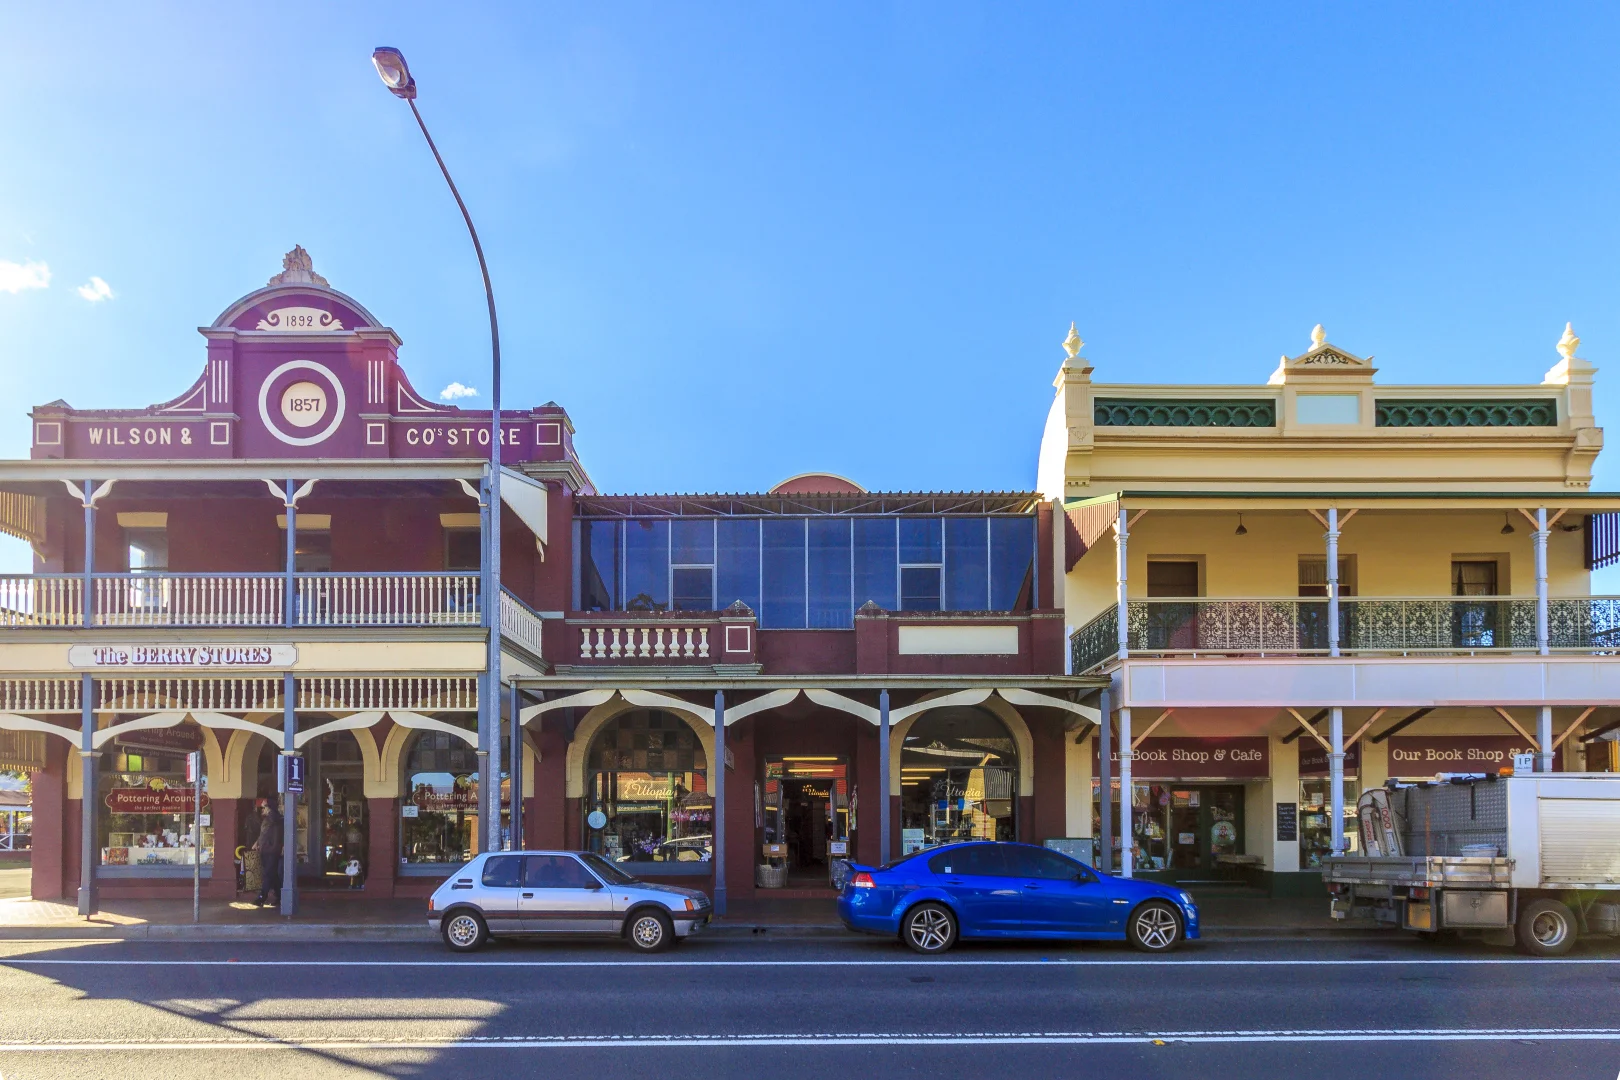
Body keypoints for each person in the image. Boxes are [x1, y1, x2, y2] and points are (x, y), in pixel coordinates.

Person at [254, 803, 283, 908]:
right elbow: (264, 834)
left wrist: (263, 844)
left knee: (267, 874)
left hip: (271, 850)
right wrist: (257, 842)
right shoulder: (269, 819)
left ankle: (262, 897)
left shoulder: (274, 820)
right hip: (267, 849)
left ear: (269, 808)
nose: (262, 809)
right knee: (273, 874)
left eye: (264, 807)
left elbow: (272, 835)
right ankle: (280, 896)